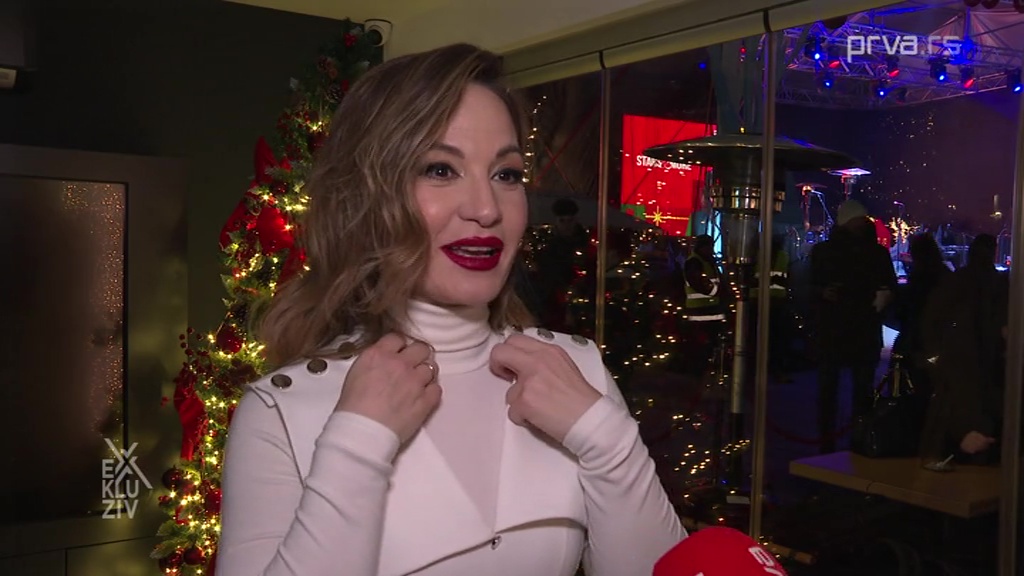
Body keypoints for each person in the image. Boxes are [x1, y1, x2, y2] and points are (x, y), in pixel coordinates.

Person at [217, 43, 684, 576]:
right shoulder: (283, 410)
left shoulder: (575, 370)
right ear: (368, 195)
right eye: (441, 169)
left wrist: (607, 440)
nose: (486, 209)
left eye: (506, 174)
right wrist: (356, 445)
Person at [810, 200, 897, 453]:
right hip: (860, 327)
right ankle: (857, 441)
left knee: (834, 391)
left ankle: (832, 442)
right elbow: (889, 285)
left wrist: (821, 293)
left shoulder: (825, 251)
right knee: (858, 391)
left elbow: (810, 285)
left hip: (836, 328)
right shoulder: (875, 253)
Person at [920, 234, 1008, 463]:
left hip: (957, 370)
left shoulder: (955, 284)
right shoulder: (998, 286)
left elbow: (931, 324)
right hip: (980, 379)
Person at [679, 234, 726, 377]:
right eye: (708, 247)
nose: (710, 250)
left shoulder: (707, 261)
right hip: (699, 314)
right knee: (699, 346)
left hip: (712, 312)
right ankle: (697, 373)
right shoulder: (694, 262)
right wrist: (719, 292)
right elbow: (699, 283)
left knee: (710, 346)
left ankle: (706, 371)